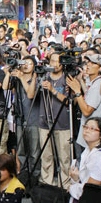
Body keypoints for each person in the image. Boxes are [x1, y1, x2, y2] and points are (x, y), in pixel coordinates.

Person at [38, 51, 71, 190]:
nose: (55, 64)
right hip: (44, 121)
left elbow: (68, 101)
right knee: (46, 155)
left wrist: (53, 90)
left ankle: (65, 184)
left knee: (64, 157)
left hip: (62, 122)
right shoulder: (44, 76)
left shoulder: (67, 78)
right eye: (52, 61)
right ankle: (47, 181)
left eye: (58, 61)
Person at [66, 54, 101, 154]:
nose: (88, 65)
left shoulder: (99, 84)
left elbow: (86, 111)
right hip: (89, 133)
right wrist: (80, 82)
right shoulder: (94, 82)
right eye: (88, 62)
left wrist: (77, 91)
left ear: (100, 68)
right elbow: (88, 96)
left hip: (92, 135)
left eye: (93, 63)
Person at [67, 117, 101, 203]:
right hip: (79, 196)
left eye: (92, 129)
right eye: (85, 127)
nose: (87, 131)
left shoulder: (99, 156)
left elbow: (88, 189)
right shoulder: (87, 150)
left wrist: (73, 186)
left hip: (87, 201)